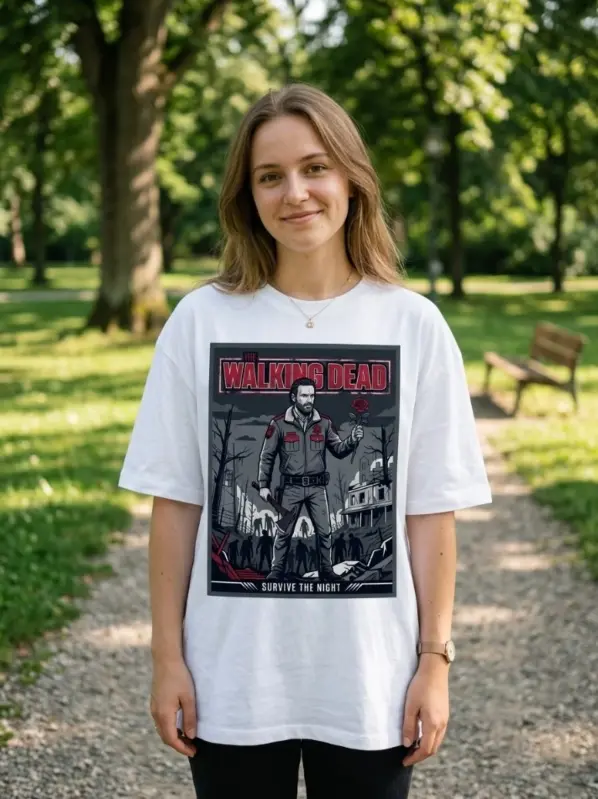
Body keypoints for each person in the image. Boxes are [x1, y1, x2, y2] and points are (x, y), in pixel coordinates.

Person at [118, 83, 492, 799]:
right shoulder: (201, 321)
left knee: (322, 540)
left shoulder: (413, 326)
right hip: (233, 682)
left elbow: (428, 512)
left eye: (315, 167)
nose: (295, 193)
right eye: (270, 176)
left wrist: (433, 661)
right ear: (247, 195)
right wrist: (168, 658)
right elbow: (177, 504)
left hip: (370, 684)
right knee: (281, 540)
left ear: (351, 178)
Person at [257, 377, 362, 580]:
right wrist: (263, 484)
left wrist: (352, 440)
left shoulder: (324, 423)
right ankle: (276, 571)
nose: (309, 400)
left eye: (312, 396)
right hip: (291, 488)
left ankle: (326, 571)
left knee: (325, 532)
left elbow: (338, 449)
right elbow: (267, 456)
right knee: (284, 532)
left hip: (317, 488)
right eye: (304, 395)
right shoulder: (279, 424)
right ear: (293, 397)